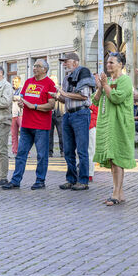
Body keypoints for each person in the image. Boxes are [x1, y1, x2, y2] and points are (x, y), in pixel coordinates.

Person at [0, 59, 57, 189]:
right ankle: (15, 181)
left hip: (41, 126)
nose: (35, 68)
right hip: (26, 125)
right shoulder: (29, 82)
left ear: (45, 70)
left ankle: (40, 181)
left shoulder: (49, 84)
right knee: (21, 154)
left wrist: (34, 106)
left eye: (38, 66)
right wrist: (21, 103)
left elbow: (51, 105)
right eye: (34, 65)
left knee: (41, 155)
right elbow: (23, 98)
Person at [93, 52, 136, 206]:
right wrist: (100, 87)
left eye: (112, 62)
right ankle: (119, 191)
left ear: (120, 64)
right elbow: (95, 101)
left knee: (117, 159)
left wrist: (104, 85)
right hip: (106, 123)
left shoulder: (124, 80)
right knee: (112, 159)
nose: (108, 65)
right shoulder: (108, 80)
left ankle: (116, 193)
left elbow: (117, 98)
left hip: (120, 123)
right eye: (108, 62)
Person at [53, 52, 94, 191]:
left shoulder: (84, 72)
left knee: (82, 150)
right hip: (68, 114)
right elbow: (67, 99)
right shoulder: (66, 78)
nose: (64, 64)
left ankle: (83, 180)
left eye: (66, 61)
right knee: (68, 150)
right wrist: (58, 97)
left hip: (81, 113)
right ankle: (71, 179)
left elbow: (84, 96)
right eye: (63, 62)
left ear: (75, 62)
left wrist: (64, 94)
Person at [10, 77, 22, 156]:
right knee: (14, 135)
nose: (14, 83)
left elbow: (22, 97)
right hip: (12, 115)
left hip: (21, 115)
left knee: (23, 135)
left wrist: (13, 97)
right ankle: (15, 151)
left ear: (19, 82)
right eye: (13, 81)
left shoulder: (22, 89)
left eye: (16, 82)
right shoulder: (10, 90)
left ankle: (25, 152)